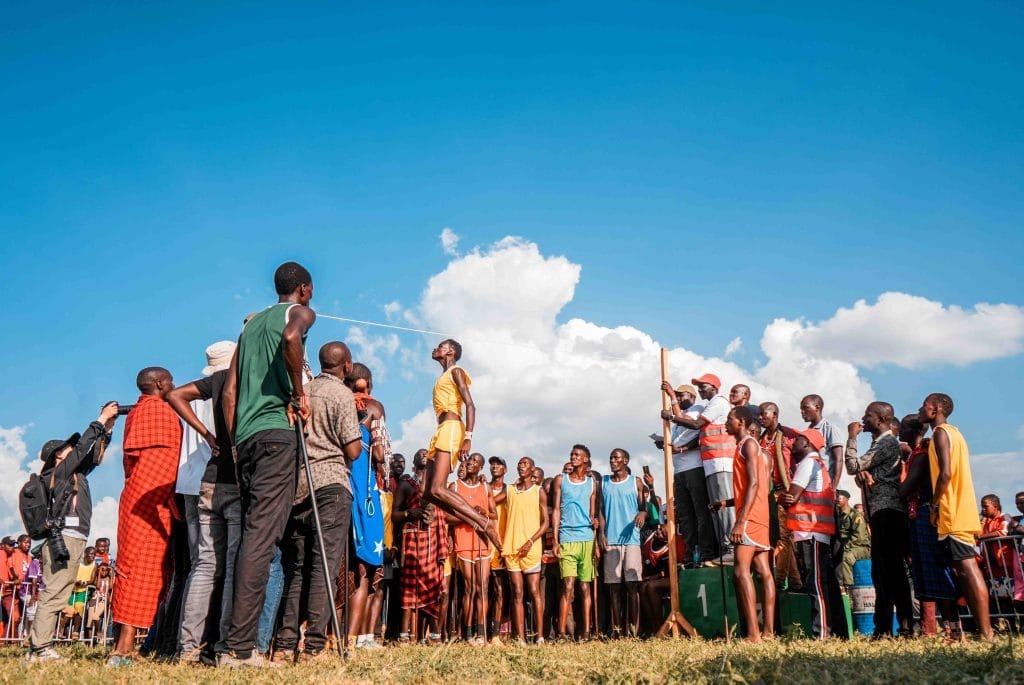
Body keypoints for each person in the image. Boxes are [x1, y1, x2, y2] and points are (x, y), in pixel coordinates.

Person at [220, 261, 316, 667]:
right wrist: (298, 393)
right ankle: (239, 648)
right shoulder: (299, 312)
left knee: (252, 538)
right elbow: (292, 337)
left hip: (246, 438)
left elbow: (229, 392)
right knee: (262, 541)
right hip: (277, 432)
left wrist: (235, 445)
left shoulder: (250, 326)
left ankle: (236, 642)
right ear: (304, 289)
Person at [272, 342, 362, 663]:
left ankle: (284, 646)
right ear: (347, 366)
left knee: (297, 569)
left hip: (298, 486)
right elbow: (352, 450)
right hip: (331, 484)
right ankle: (313, 646)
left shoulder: (302, 392)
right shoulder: (342, 395)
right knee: (324, 566)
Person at [26, 402, 118, 662]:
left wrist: (108, 430)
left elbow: (92, 457)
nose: (72, 449)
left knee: (60, 589)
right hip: (64, 537)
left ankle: (39, 647)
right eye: (67, 447)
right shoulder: (58, 473)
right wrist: (100, 419)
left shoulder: (73, 474)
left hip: (73, 537)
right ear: (58, 455)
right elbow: (82, 449)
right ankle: (39, 648)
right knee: (55, 590)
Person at [166, 340, 241, 663]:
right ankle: (225, 643)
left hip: (195, 483)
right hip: (230, 478)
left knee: (203, 565)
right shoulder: (235, 384)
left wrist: (207, 436)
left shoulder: (200, 390)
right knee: (234, 563)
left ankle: (188, 646)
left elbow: (173, 395)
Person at [109, 367, 182, 666]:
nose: (174, 386)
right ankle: (122, 650)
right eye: (171, 381)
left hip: (137, 498)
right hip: (150, 503)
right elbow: (163, 464)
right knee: (140, 573)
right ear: (160, 383)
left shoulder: (138, 412)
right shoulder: (161, 413)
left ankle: (123, 645)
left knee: (133, 570)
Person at [919, 393, 993, 640]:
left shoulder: (941, 433)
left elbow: (946, 473)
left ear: (936, 409)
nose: (921, 409)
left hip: (953, 511)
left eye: (925, 405)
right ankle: (982, 630)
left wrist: (934, 505)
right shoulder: (953, 433)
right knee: (961, 571)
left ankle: (987, 632)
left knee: (967, 568)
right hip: (957, 510)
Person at [422, 340, 502, 551]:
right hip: (441, 429)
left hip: (452, 428)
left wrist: (468, 436)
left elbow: (470, 404)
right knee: (427, 492)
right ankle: (476, 522)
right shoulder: (443, 375)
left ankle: (484, 523)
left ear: (450, 351)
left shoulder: (456, 371)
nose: (436, 349)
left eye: (440, 346)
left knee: (438, 487)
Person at [845, 401, 914, 638]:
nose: (864, 419)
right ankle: (895, 626)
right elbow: (862, 471)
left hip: (887, 511)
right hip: (882, 511)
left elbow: (853, 465)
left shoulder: (886, 443)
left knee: (887, 571)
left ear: (882, 419)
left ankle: (889, 627)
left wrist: (852, 437)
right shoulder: (880, 444)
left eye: (868, 415)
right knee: (888, 571)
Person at [899, 414, 959, 637]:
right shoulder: (915, 453)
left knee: (937, 572)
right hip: (917, 514)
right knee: (927, 575)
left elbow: (907, 487)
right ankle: (947, 628)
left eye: (904, 428)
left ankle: (954, 628)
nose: (900, 432)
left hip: (926, 513)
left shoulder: (922, 455)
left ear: (915, 431)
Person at [343, 363, 389, 650]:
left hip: (332, 485)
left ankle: (326, 638)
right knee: (363, 571)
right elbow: (381, 454)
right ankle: (353, 639)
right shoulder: (373, 407)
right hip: (362, 491)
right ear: (368, 382)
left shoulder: (333, 402)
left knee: (335, 568)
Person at [668, 373, 735, 563]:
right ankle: (715, 550)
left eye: (703, 386)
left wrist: (672, 412)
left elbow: (695, 425)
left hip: (718, 463)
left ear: (714, 386)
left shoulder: (713, 404)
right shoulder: (709, 405)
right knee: (708, 510)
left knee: (717, 509)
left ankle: (726, 548)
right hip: (710, 464)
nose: (700, 390)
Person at [782, 428, 842, 639]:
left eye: (798, 439)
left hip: (812, 532)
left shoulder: (808, 463)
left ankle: (822, 633)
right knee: (816, 582)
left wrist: (782, 497)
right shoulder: (816, 464)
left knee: (816, 583)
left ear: (808, 443)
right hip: (811, 532)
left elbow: (791, 496)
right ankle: (825, 631)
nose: (793, 442)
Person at [726, 406, 775, 642]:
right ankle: (769, 632)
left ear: (742, 422)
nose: (726, 423)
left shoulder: (748, 445)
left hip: (750, 517)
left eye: (730, 419)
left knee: (740, 571)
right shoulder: (752, 448)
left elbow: (754, 484)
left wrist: (740, 521)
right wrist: (726, 503)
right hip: (760, 516)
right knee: (763, 572)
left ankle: (754, 634)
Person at [658, 383, 714, 567]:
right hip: (679, 470)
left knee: (700, 512)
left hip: (694, 468)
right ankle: (691, 553)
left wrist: (671, 396)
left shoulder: (697, 410)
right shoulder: (677, 419)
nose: (678, 399)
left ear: (692, 397)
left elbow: (689, 426)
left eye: (682, 395)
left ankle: (706, 552)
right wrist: (664, 443)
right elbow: (677, 437)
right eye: (677, 396)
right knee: (685, 515)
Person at [395, 449, 447, 641]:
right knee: (409, 587)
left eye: (427, 452)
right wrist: (410, 513)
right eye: (420, 453)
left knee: (431, 586)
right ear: (414, 461)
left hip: (432, 541)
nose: (425, 454)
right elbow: (395, 514)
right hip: (412, 540)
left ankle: (433, 634)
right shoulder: (406, 484)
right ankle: (404, 635)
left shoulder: (436, 486)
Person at [551, 444, 598, 641]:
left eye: (577, 454)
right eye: (572, 454)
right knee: (568, 586)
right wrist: (555, 540)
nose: (573, 456)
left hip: (586, 538)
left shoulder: (592, 483)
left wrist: (596, 538)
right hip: (567, 537)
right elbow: (556, 510)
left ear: (586, 459)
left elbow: (593, 514)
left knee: (585, 587)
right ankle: (561, 633)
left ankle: (586, 632)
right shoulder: (561, 480)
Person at [598, 449, 646, 638]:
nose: (612, 460)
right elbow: (600, 510)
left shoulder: (636, 482)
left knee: (632, 585)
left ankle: (635, 630)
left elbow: (643, 508)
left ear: (625, 460)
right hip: (611, 539)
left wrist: (642, 513)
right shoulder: (603, 482)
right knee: (614, 587)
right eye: (611, 457)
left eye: (616, 457)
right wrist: (601, 533)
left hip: (631, 539)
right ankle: (617, 630)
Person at [449, 453, 495, 645]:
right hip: (464, 542)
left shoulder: (485, 486)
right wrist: (468, 516)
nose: (470, 463)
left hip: (483, 542)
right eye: (469, 460)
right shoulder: (455, 486)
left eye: (475, 461)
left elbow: (494, 515)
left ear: (481, 467)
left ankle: (481, 633)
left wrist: (483, 513)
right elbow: (447, 517)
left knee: (482, 587)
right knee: (469, 588)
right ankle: (467, 633)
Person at [503, 456, 549, 644]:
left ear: (532, 469)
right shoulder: (510, 490)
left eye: (525, 464)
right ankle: (521, 638)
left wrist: (530, 541)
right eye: (520, 464)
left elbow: (546, 523)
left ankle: (539, 636)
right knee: (517, 592)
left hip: (531, 548)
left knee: (534, 591)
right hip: (512, 547)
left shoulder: (539, 491)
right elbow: (491, 499)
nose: (521, 466)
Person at [758, 402, 802, 592]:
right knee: (781, 537)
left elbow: (803, 458)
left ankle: (778, 581)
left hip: (786, 491)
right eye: (759, 415)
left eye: (764, 414)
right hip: (769, 492)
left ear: (775, 414)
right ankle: (796, 582)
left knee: (784, 537)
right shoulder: (760, 439)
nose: (760, 418)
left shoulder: (789, 435)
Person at [978, 495, 1023, 603]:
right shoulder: (986, 521)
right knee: (997, 595)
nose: (983, 509)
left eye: (986, 507)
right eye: (982, 507)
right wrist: (981, 521)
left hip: (1005, 563)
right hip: (991, 565)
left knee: (1011, 592)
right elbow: (977, 536)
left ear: (995, 506)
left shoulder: (1005, 517)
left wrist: (980, 537)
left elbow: (1002, 532)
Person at [799, 395, 845, 488]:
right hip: (809, 484)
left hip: (826, 484)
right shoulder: (805, 433)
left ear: (817, 407)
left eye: (805, 408)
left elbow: (839, 459)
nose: (802, 412)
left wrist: (834, 486)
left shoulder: (830, 429)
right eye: (801, 409)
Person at [487, 456, 509, 643]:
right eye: (492, 464)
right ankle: (479, 632)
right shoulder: (483, 487)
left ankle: (495, 634)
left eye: (499, 464)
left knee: (500, 591)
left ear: (505, 470)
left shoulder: (510, 490)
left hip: (501, 547)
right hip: (483, 545)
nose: (495, 466)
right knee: (481, 591)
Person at [835, 490, 870, 590]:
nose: (837, 500)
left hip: (860, 547)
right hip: (846, 546)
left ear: (846, 500)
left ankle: (848, 587)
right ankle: (838, 585)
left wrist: (845, 546)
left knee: (846, 557)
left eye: (839, 498)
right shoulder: (838, 516)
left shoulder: (855, 515)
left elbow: (859, 537)